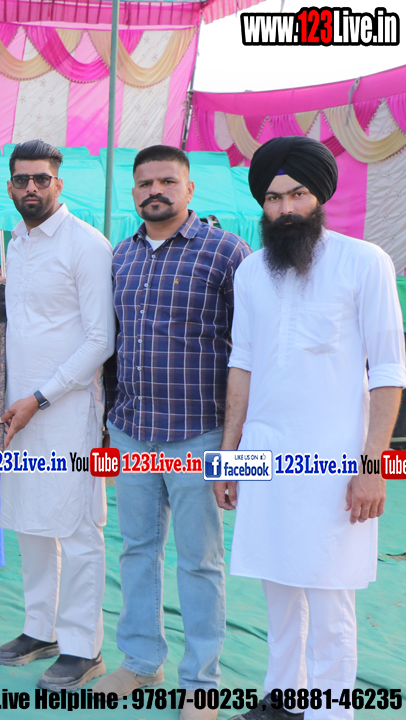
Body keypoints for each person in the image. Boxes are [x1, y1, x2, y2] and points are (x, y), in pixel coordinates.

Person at [215, 136, 406, 720]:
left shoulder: (364, 261)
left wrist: (372, 466)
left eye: (297, 194)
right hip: (266, 453)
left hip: (336, 461)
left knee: (328, 595)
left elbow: (389, 371)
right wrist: (230, 454)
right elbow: (242, 363)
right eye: (273, 199)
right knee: (277, 585)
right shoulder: (251, 272)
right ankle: (283, 698)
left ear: (319, 196)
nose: (285, 209)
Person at [93, 145, 251, 719]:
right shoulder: (122, 255)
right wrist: (109, 424)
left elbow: (248, 351)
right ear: (134, 191)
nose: (154, 191)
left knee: (200, 560)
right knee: (137, 550)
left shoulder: (227, 253)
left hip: (199, 433)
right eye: (144, 183)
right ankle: (140, 661)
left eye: (166, 181)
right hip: (132, 430)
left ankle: (202, 682)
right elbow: (112, 344)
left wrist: (234, 445)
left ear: (189, 189)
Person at [0, 140, 115, 693]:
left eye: (41, 179)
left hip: (67, 410)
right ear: (10, 186)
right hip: (19, 409)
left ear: (59, 184)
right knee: (29, 518)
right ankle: (40, 629)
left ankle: (84, 647)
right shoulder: (17, 240)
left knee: (77, 526)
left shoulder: (87, 244)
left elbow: (100, 340)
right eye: (22, 180)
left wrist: (40, 397)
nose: (31, 188)